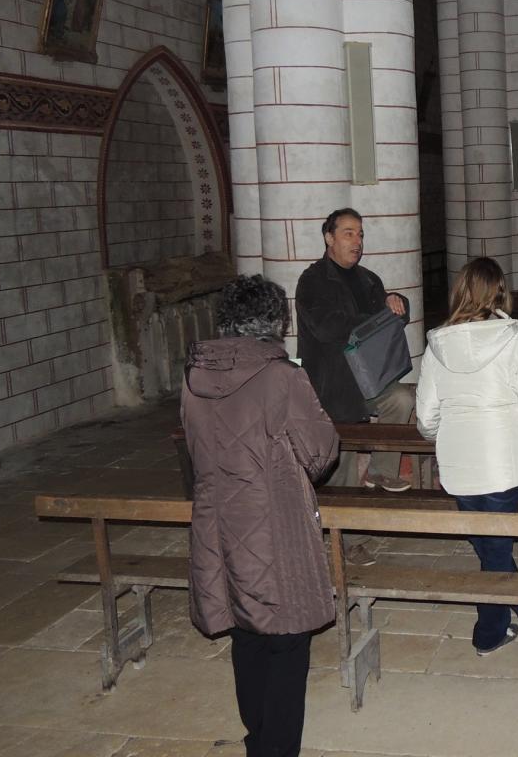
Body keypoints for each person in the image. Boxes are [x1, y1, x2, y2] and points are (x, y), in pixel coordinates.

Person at [181, 275, 338, 757]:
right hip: (274, 526)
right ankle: (278, 749)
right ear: (276, 322)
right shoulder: (282, 377)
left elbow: (194, 451)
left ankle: (257, 741)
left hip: (217, 523)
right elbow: (320, 453)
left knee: (246, 635)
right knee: (287, 642)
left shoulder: (193, 376)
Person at [415, 257, 518, 656]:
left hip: (459, 467)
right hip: (504, 462)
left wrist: (448, 436)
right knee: (493, 548)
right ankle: (491, 631)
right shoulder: (513, 338)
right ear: (500, 292)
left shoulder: (437, 344)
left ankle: (515, 606)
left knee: (490, 545)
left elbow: (425, 417)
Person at [296, 207, 414, 494]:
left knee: (400, 398)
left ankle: (381, 472)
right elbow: (326, 327)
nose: (357, 241)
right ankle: (343, 517)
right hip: (332, 384)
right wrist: (372, 321)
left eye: (360, 234)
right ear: (329, 238)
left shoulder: (368, 279)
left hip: (369, 377)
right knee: (342, 464)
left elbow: (393, 317)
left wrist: (397, 302)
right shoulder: (313, 281)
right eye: (348, 233)